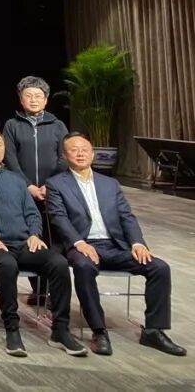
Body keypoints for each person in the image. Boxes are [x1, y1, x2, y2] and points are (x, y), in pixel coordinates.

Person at [47, 133, 186, 357]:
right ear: (65, 156)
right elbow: (58, 218)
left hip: (115, 245)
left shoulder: (110, 184)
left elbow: (126, 217)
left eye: (85, 149)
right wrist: (78, 242)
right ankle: (99, 331)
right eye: (74, 150)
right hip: (83, 245)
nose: (80, 153)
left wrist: (137, 243)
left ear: (93, 154)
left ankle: (153, 331)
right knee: (83, 267)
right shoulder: (56, 184)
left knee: (159, 268)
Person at [0, 130, 86, 358]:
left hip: (22, 242)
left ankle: (60, 330)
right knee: (7, 264)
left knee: (58, 262)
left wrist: (34, 234)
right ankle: (12, 328)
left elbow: (32, 213)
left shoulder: (16, 180)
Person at [2, 76, 69, 306]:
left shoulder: (58, 125)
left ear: (46, 100)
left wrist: (49, 185)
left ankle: (52, 291)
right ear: (21, 100)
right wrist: (28, 186)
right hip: (23, 192)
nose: (33, 100)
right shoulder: (12, 125)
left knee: (53, 241)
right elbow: (10, 158)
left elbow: (64, 156)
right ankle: (38, 289)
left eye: (38, 96)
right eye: (28, 96)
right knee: (30, 240)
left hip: (53, 192)